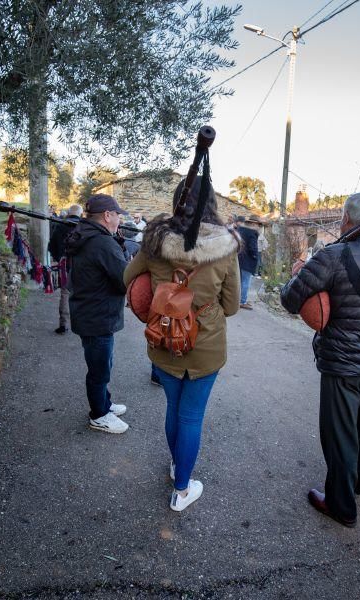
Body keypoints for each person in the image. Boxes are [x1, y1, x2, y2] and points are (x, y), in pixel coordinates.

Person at [280, 192, 360, 528]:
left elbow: (293, 300)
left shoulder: (333, 255)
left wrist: (296, 275)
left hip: (342, 361)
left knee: (339, 434)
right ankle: (356, 485)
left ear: (348, 219)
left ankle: (341, 505)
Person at [124, 176, 240, 512]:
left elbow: (127, 280)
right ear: (213, 205)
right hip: (206, 345)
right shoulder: (227, 246)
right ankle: (182, 489)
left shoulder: (154, 241)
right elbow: (231, 306)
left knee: (174, 408)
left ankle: (178, 466)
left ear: (176, 201)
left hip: (163, 339)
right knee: (191, 416)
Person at [65, 194, 131, 434]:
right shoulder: (102, 242)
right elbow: (125, 279)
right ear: (107, 215)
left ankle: (105, 403)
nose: (119, 219)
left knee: (103, 364)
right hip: (97, 316)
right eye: (118, 214)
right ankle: (99, 415)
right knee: (99, 369)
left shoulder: (87, 235)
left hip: (90, 312)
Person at [47, 204, 82, 334]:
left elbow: (51, 246)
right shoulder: (85, 227)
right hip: (83, 267)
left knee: (65, 294)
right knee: (83, 294)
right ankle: (82, 324)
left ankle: (64, 325)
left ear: (68, 213)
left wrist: (59, 258)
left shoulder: (60, 225)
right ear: (80, 214)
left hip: (65, 265)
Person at [236, 215, 259, 309]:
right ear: (253, 224)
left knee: (239, 281)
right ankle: (242, 301)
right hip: (247, 261)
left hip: (238, 259)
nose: (259, 227)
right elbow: (252, 248)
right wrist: (255, 256)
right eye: (258, 225)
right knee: (246, 282)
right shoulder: (252, 233)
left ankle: (238, 300)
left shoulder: (240, 230)